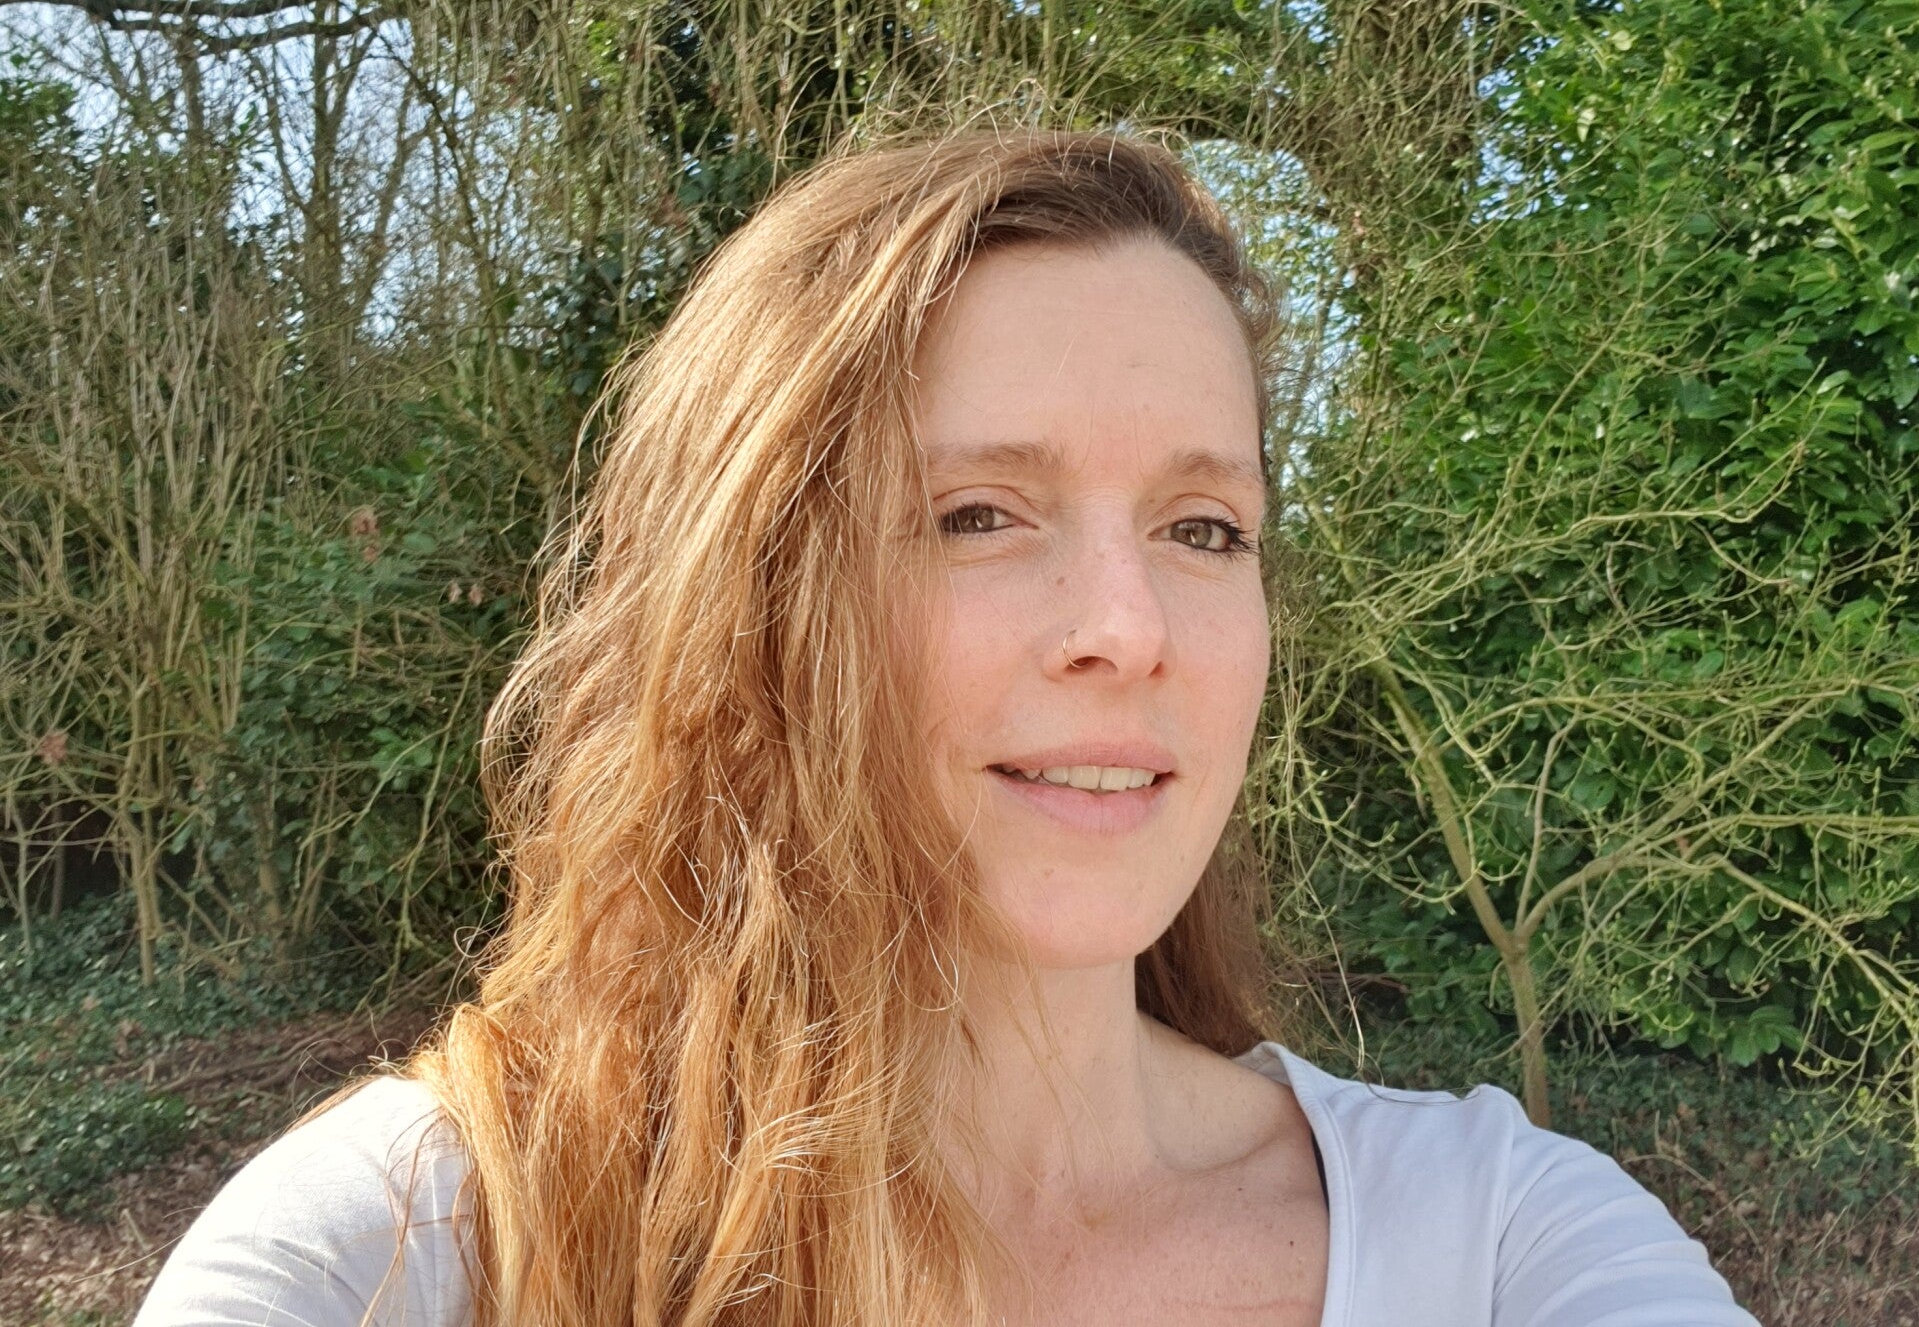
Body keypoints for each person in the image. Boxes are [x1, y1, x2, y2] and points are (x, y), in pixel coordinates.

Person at [132, 129, 1760, 1327]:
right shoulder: (409, 1249)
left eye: (1204, 529)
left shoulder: (1502, 1246)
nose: (1131, 628)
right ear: (749, 599)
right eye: (980, 513)